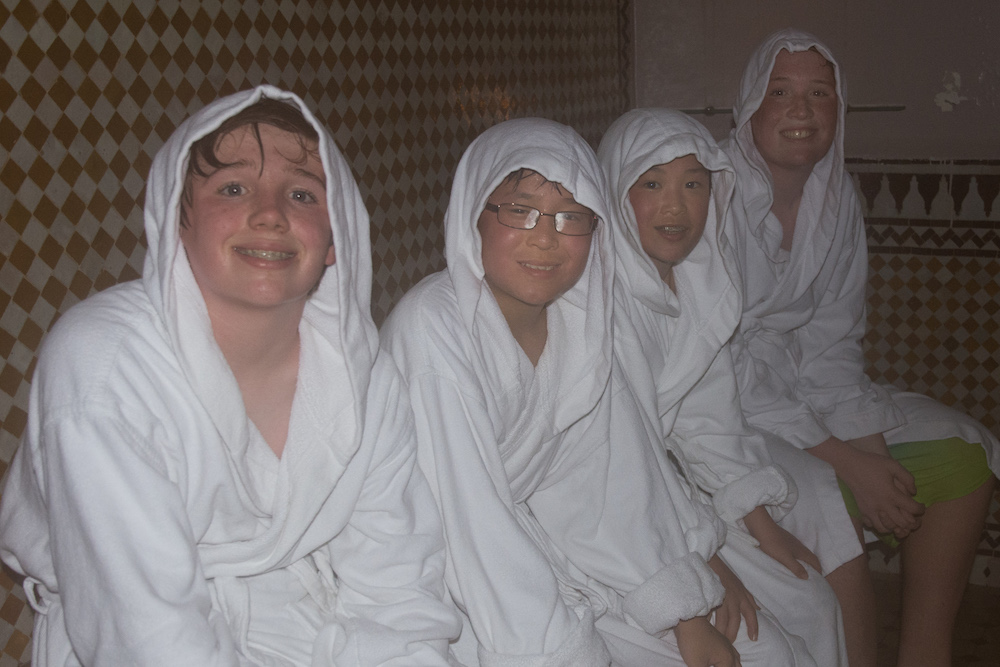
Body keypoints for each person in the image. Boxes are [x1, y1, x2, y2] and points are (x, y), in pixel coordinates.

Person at [0, 86, 460, 666]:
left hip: (309, 616)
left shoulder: (367, 379)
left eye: (301, 193)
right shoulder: (104, 368)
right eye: (233, 188)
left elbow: (398, 591)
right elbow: (144, 638)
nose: (270, 214)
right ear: (177, 221)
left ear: (337, 239)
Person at [381, 117, 812, 666]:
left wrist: (684, 612)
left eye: (571, 217)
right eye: (520, 210)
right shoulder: (433, 331)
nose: (545, 236)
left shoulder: (577, 323)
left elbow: (612, 479)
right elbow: (472, 527)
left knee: (769, 653)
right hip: (455, 579)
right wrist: (561, 651)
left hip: (547, 547)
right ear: (473, 212)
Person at [722, 29, 998, 667]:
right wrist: (846, 461)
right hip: (723, 410)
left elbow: (834, 340)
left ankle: (926, 653)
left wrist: (872, 456)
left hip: (803, 391)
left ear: (838, 110)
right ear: (748, 109)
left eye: (820, 93)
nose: (802, 108)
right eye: (781, 92)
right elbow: (723, 362)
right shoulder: (712, 196)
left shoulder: (835, 197)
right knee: (824, 495)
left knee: (965, 454)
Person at [597, 107, 847, 665]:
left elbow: (708, 423)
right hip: (621, 526)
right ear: (614, 193)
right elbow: (618, 469)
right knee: (764, 648)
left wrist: (762, 526)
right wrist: (704, 574)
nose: (674, 205)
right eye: (652, 183)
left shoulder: (699, 286)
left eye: (693, 184)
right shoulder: (601, 311)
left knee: (813, 601)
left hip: (674, 504)